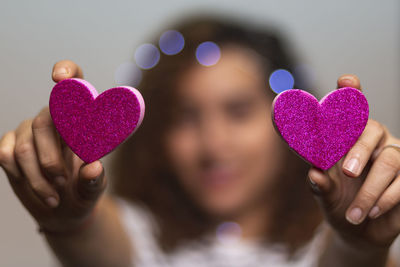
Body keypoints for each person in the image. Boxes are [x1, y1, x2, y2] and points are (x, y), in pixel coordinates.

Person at [1, 16, 400, 267]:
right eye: (185, 117)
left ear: (291, 121)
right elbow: (96, 244)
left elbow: (347, 257)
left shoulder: (326, 246)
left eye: (239, 111)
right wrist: (70, 222)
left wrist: (360, 243)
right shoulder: (139, 235)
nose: (213, 145)